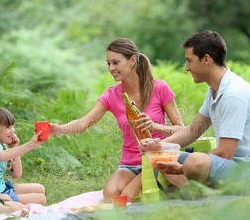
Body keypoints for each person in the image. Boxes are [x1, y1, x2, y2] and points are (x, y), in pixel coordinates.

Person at [140, 30, 250, 188]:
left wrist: (183, 166)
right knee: (164, 157)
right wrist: (158, 146)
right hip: (232, 168)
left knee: (194, 162)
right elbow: (193, 130)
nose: (187, 68)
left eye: (189, 61)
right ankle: (200, 195)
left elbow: (225, 152)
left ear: (206, 59)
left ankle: (201, 193)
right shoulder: (214, 90)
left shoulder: (234, 94)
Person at [50, 38, 184, 202]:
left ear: (132, 61)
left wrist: (155, 126)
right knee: (110, 195)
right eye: (108, 63)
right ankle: (157, 189)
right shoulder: (111, 95)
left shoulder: (160, 88)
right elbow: (83, 123)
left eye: (115, 63)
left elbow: (181, 129)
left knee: (127, 196)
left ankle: (165, 186)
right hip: (130, 163)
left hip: (156, 157)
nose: (111, 68)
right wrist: (57, 129)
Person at [0, 107, 47, 205]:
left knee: (40, 188)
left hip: (3, 187)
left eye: (12, 126)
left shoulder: (1, 145)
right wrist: (2, 200)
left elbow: (17, 174)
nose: (13, 130)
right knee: (41, 199)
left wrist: (15, 147)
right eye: (7, 127)